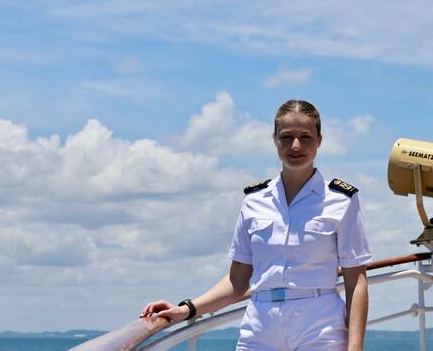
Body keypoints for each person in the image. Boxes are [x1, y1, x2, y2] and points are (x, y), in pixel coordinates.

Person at [140, 99, 372, 351]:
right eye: (286, 137)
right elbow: (237, 281)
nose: (296, 146)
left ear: (319, 140)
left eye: (305, 137)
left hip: (319, 325)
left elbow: (355, 280)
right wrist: (187, 309)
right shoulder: (254, 200)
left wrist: (355, 348)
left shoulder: (341, 200)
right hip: (260, 327)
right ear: (275, 140)